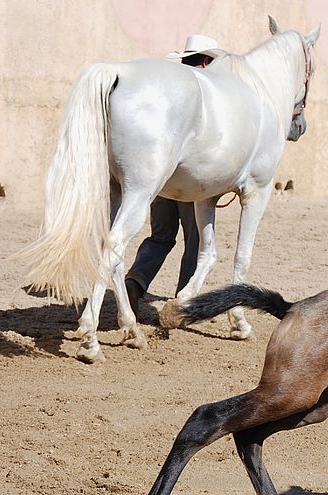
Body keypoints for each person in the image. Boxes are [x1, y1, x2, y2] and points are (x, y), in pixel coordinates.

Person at [125, 35, 226, 318]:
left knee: (160, 236)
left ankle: (135, 281)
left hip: (160, 178)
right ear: (205, 62)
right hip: (190, 180)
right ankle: (184, 300)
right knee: (194, 241)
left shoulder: (170, 90)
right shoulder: (205, 93)